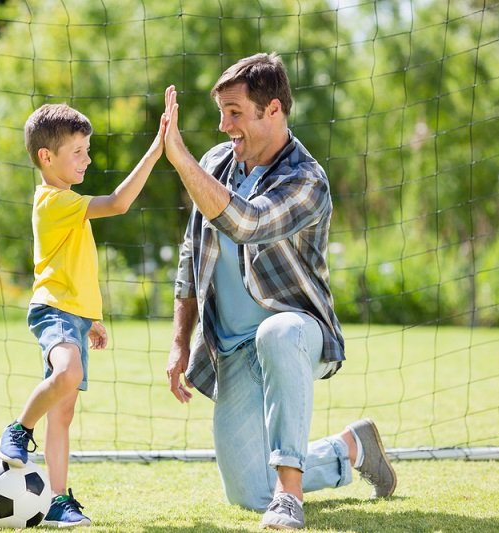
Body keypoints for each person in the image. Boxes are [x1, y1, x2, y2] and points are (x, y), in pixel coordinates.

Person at [162, 53, 397, 529]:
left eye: (234, 112)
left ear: (273, 110)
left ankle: (290, 496)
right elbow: (191, 252)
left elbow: (247, 223)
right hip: (230, 348)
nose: (224, 125)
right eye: (221, 112)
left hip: (297, 333)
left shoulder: (306, 180)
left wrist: (179, 156)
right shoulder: (216, 163)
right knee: (247, 492)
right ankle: (351, 448)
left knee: (278, 331)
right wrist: (180, 340)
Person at [0, 103, 166, 528]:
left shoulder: (67, 202)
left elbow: (74, 267)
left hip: (73, 314)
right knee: (67, 373)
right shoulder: (54, 201)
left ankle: (55, 499)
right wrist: (156, 151)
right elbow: (120, 203)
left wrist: (91, 319)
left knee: (65, 413)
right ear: (46, 157)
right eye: (78, 151)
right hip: (51, 311)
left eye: (87, 150)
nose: (87, 159)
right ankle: (18, 430)